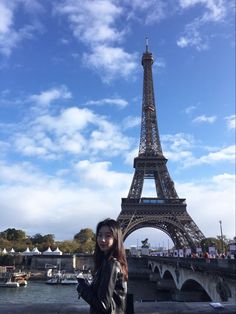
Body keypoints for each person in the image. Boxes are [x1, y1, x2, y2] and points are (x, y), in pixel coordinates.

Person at [77, 218, 128, 314]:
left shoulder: (111, 264)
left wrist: (81, 288)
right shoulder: (112, 261)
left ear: (116, 238)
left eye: (108, 236)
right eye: (99, 235)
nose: (102, 239)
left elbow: (102, 305)